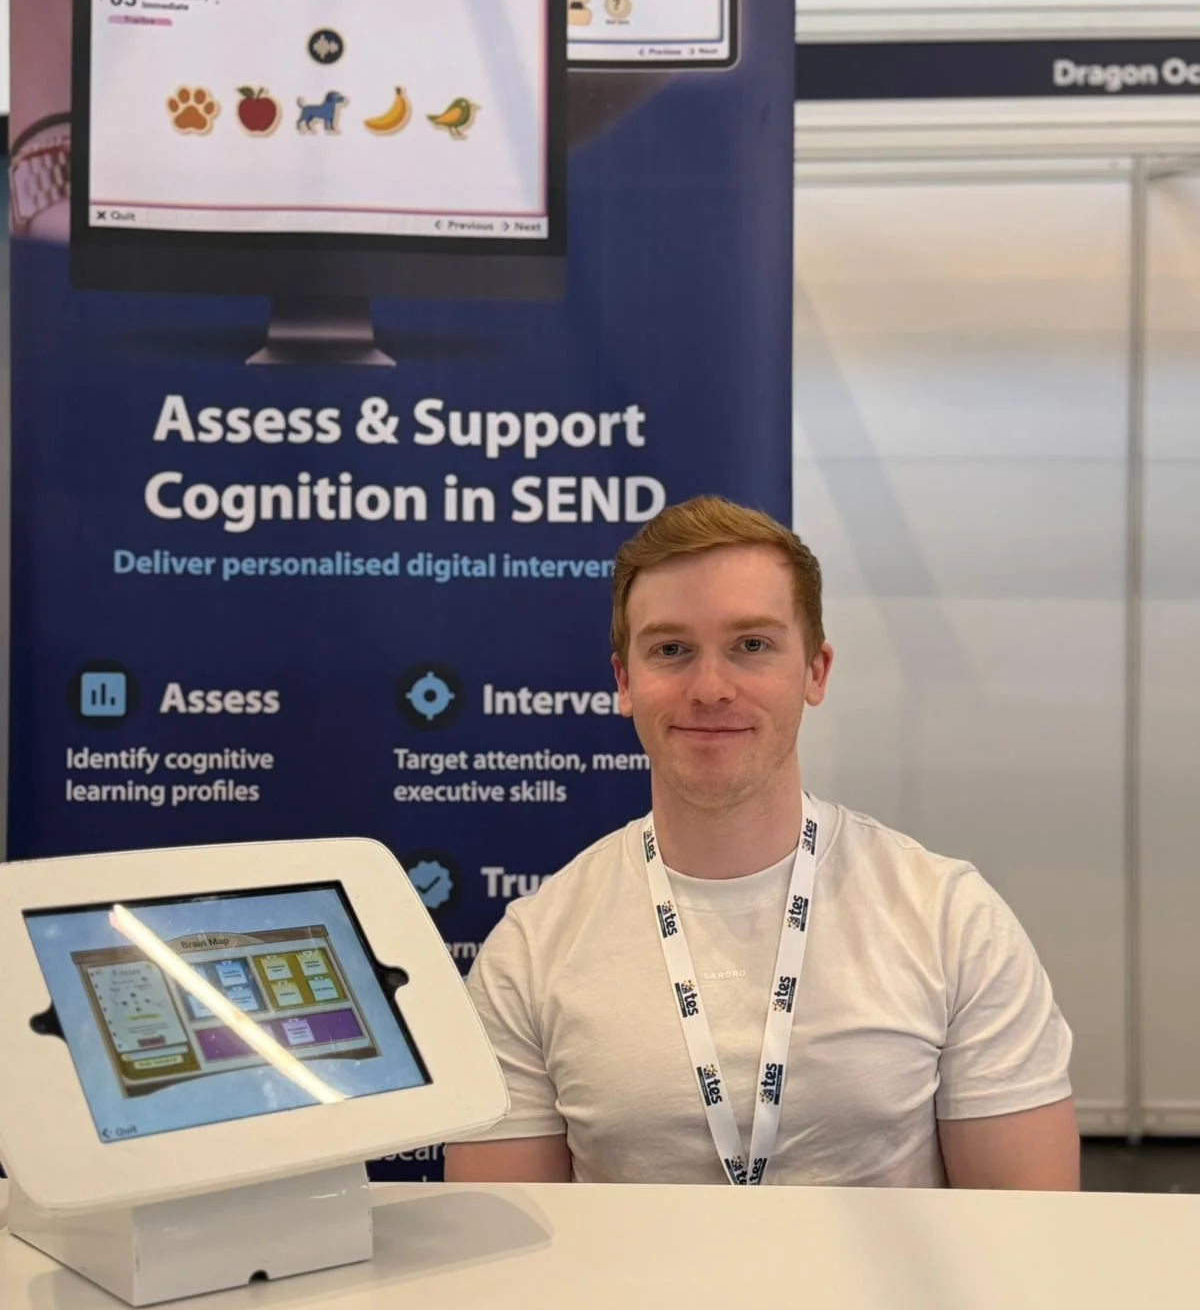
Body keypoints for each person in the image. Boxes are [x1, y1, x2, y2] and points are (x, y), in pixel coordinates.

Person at [446, 496, 1079, 1190]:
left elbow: (1028, 1235)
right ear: (625, 682)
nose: (711, 688)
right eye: (671, 650)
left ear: (814, 671)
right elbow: (513, 1258)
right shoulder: (534, 948)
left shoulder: (950, 919)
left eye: (752, 645)